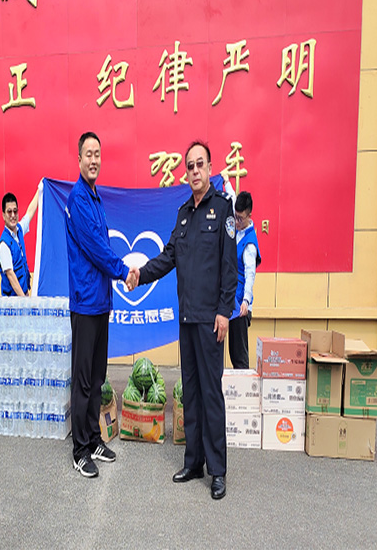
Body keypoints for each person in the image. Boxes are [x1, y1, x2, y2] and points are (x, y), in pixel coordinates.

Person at [128, 141, 237, 500]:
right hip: (187, 320)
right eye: (189, 166)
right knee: (190, 392)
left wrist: (225, 311)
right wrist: (139, 274)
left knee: (210, 394)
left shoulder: (223, 211)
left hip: (210, 321)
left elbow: (229, 268)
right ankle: (194, 462)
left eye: (199, 165)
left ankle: (217, 470)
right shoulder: (183, 215)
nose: (194, 171)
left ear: (210, 168)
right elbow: (168, 257)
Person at [65, 131, 136, 478]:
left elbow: (100, 247)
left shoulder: (95, 197)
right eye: (88, 154)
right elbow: (95, 247)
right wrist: (124, 271)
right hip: (84, 304)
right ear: (78, 160)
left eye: (97, 154)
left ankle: (93, 439)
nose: (93, 160)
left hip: (101, 302)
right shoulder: (79, 199)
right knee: (82, 381)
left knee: (96, 377)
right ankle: (80, 450)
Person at [228, 191, 261, 369]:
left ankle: (244, 391)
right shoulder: (237, 224)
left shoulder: (249, 244)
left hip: (240, 305)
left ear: (249, 215)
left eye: (240, 218)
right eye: (235, 216)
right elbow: (232, 196)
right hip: (229, 298)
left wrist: (246, 301)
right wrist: (225, 182)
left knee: (239, 354)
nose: (237, 222)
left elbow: (250, 274)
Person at [0, 189, 39, 297]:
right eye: (9, 212)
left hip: (23, 296)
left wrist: (40, 189)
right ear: (3, 215)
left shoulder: (19, 230)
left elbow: (30, 212)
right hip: (13, 303)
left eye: (15, 211)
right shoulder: (4, 245)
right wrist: (24, 301)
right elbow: (11, 276)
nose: (13, 215)